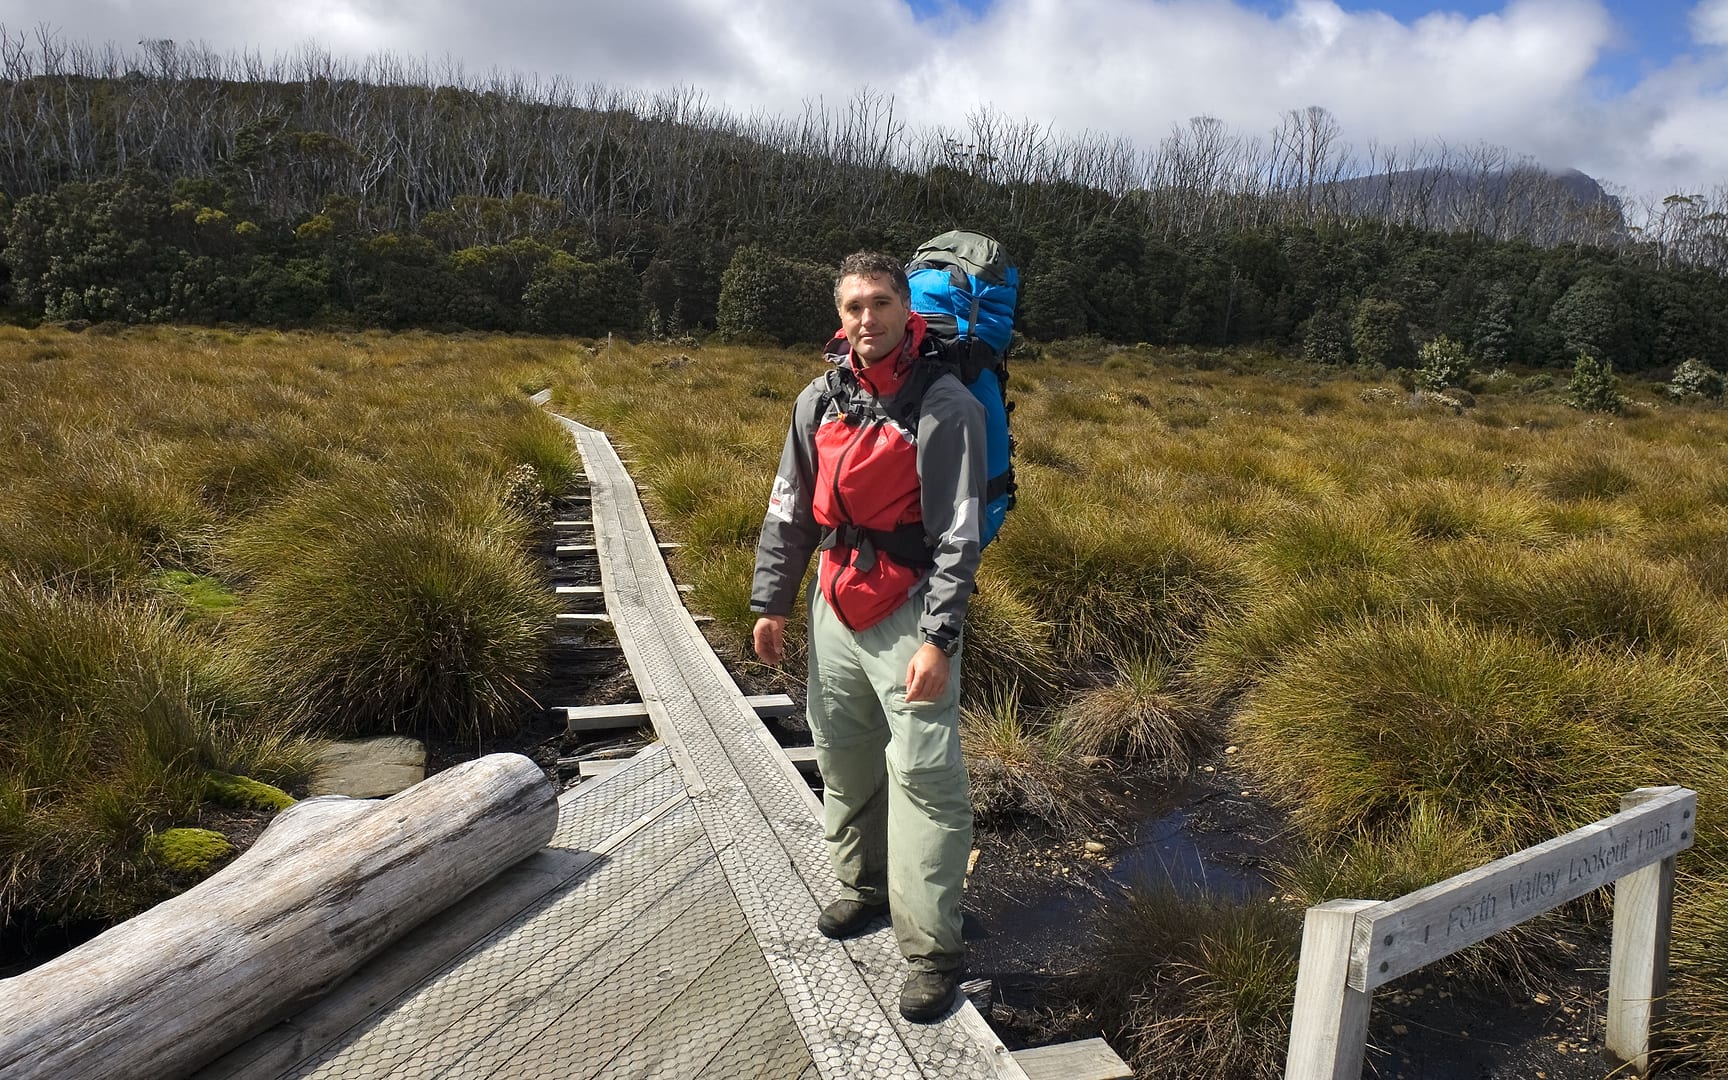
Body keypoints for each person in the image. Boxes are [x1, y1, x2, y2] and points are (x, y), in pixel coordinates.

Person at [751, 251, 987, 1023]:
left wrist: (938, 639)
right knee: (844, 752)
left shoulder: (945, 405)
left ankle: (932, 951)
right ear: (839, 312)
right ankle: (861, 887)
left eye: (880, 302)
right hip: (834, 602)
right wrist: (772, 601)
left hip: (909, 610)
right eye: (853, 304)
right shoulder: (820, 399)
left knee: (924, 777)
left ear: (904, 308)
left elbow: (959, 536)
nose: (866, 318)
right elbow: (790, 506)